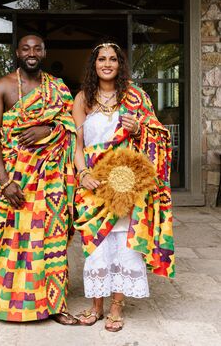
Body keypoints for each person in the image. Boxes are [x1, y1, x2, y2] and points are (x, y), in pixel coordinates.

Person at [0, 34, 77, 330]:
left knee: (50, 239)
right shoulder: (3, 86)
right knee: (2, 238)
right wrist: (5, 182)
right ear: (18, 52)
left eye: (38, 48)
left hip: (50, 179)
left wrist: (47, 129)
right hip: (11, 178)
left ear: (44, 52)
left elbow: (70, 126)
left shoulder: (57, 88)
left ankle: (55, 304)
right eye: (26, 48)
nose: (32, 53)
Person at [72, 40, 174, 332]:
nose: (107, 64)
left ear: (120, 65)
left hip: (126, 182)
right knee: (95, 244)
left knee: (124, 246)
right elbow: (76, 145)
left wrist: (139, 129)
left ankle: (117, 307)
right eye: (101, 59)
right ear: (94, 64)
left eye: (113, 59)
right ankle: (95, 307)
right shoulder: (82, 99)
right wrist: (82, 173)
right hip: (93, 182)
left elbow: (160, 136)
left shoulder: (135, 97)